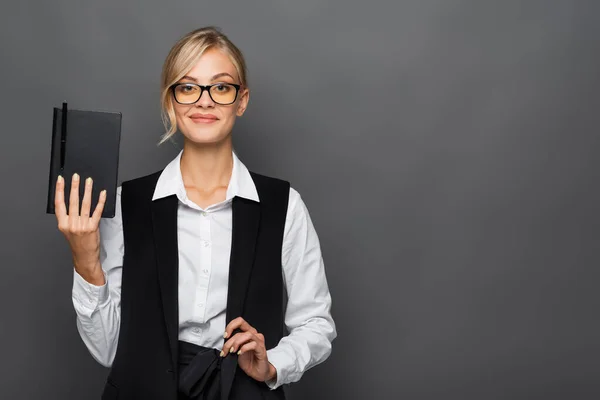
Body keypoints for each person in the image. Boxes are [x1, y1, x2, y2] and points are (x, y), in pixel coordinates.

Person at [54, 26, 337, 400]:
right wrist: (84, 260)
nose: (204, 101)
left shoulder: (284, 205)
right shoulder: (126, 204)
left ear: (242, 100)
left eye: (220, 87)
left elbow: (316, 324)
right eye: (188, 87)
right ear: (171, 101)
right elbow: (108, 350)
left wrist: (273, 363)